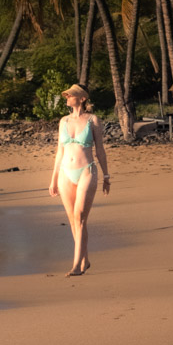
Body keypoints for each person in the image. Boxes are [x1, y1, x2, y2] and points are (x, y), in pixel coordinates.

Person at [48, 82, 110, 276]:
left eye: (70, 95)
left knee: (80, 217)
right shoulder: (63, 121)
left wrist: (106, 175)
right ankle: (85, 259)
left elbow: (99, 149)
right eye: (66, 95)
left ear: (82, 98)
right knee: (73, 221)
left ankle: (76, 265)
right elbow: (60, 151)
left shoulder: (93, 120)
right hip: (66, 173)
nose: (67, 98)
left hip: (86, 171)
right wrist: (53, 178)